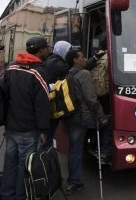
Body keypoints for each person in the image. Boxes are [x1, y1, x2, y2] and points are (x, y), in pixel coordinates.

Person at [0, 35, 52, 200]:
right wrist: (43, 130)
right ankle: (20, 196)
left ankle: (6, 194)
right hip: (28, 129)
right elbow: (42, 105)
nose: (48, 50)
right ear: (40, 49)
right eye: (46, 48)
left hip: (10, 127)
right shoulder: (39, 72)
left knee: (10, 163)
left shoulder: (11, 68)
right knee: (25, 166)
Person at [63, 49, 109, 195]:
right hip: (84, 118)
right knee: (109, 123)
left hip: (72, 118)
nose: (85, 59)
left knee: (74, 150)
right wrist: (102, 117)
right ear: (75, 60)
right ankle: (104, 153)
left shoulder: (69, 72)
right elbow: (91, 99)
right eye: (82, 57)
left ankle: (74, 182)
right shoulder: (84, 74)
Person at [44, 40, 106, 148]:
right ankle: (45, 161)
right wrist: (101, 117)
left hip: (58, 107)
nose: (69, 52)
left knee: (73, 147)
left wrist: (95, 58)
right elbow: (90, 97)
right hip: (63, 109)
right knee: (51, 139)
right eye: (68, 50)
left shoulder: (52, 61)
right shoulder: (60, 65)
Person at [90, 33, 112, 164]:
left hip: (97, 94)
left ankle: (98, 148)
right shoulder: (110, 58)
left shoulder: (96, 57)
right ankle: (104, 151)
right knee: (108, 122)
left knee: (101, 121)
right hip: (107, 95)